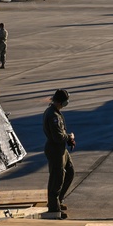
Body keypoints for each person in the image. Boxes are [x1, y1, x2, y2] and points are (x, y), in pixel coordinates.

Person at [43, 88, 75, 218]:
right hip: (55, 149)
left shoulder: (56, 112)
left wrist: (67, 139)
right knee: (57, 179)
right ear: (60, 102)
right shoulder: (53, 116)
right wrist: (69, 137)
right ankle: (53, 208)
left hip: (62, 149)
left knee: (70, 172)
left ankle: (58, 200)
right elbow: (57, 137)